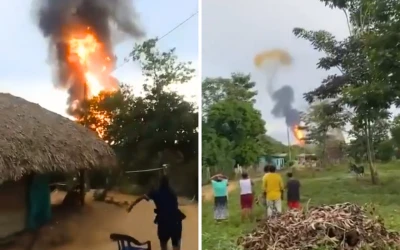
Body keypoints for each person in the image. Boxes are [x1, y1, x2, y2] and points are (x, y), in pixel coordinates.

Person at [127, 175, 185, 250]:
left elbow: (142, 197)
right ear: (168, 183)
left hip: (164, 222)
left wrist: (131, 205)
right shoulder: (172, 193)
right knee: (176, 245)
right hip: (176, 221)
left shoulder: (156, 193)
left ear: (159, 183)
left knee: (163, 245)